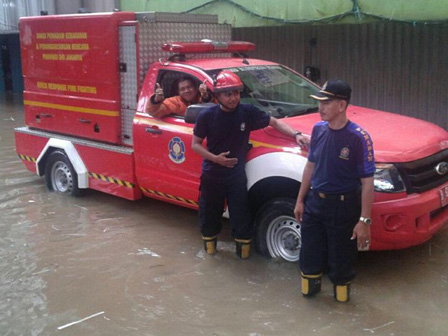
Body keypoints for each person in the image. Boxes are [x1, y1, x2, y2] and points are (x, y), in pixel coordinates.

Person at [192, 70, 309, 259]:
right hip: (212, 173)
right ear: (218, 96)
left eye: (236, 93)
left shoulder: (247, 112)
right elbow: (195, 145)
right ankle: (210, 254)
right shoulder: (207, 116)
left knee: (241, 216)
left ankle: (243, 259)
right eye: (228, 94)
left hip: (236, 175)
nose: (233, 98)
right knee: (209, 214)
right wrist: (215, 158)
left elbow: (274, 123)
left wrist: (296, 135)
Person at [293, 79, 375, 302]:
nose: (320, 107)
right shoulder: (318, 130)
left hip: (343, 206)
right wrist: (300, 200)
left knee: (341, 264)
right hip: (314, 203)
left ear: (341, 105)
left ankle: (341, 311)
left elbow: (367, 182)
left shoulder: (359, 137)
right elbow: (310, 166)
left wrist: (364, 221)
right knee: (308, 257)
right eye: (319, 102)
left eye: (326, 102)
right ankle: (310, 306)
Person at [146, 77, 213, 118]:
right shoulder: (174, 102)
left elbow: (217, 107)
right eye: (182, 89)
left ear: (196, 88)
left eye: (189, 87)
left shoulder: (203, 97)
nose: (186, 91)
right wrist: (156, 100)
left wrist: (206, 97)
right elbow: (153, 112)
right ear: (178, 92)